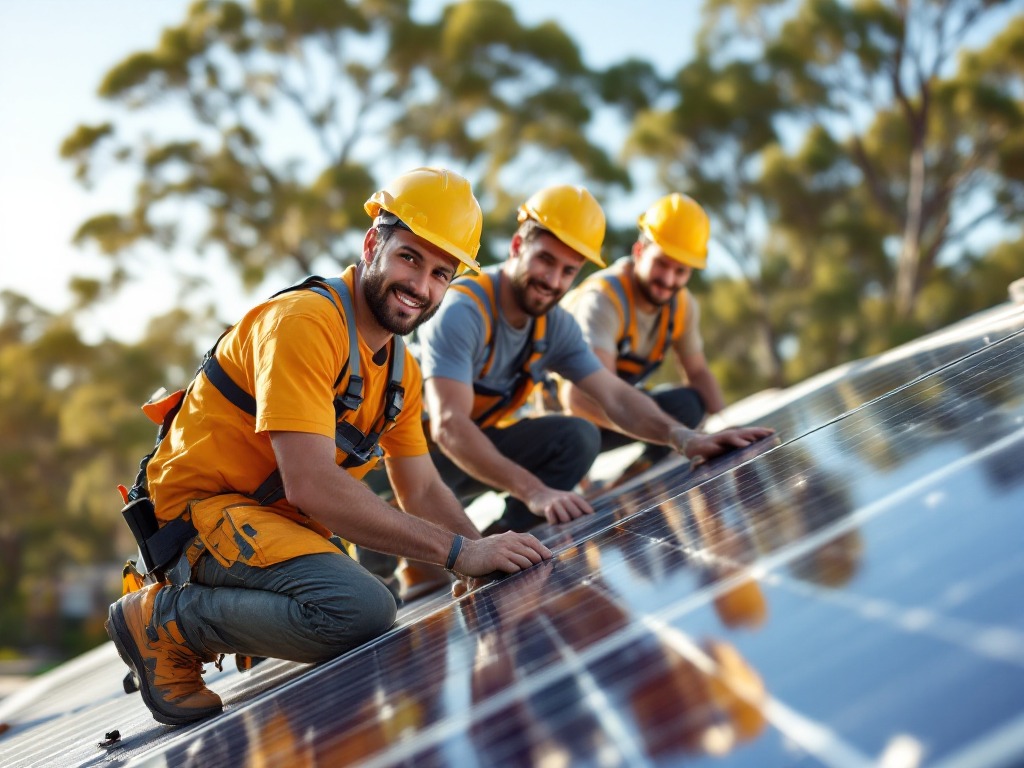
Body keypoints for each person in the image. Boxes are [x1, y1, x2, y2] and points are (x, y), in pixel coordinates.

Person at [104, 167, 552, 727]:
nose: (422, 286)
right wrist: (459, 553)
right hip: (195, 519)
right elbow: (311, 485)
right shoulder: (305, 323)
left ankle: (191, 614)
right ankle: (165, 620)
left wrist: (482, 555)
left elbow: (421, 486)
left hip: (257, 525)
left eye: (442, 273)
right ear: (373, 244)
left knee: (362, 595)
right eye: (409, 257)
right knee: (362, 608)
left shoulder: (400, 374)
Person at [416, 184, 773, 535]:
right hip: (409, 463)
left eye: (568, 271)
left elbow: (615, 395)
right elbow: (449, 426)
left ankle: (500, 540)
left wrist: (684, 439)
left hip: (475, 454)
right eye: (545, 260)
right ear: (517, 246)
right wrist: (534, 491)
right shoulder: (464, 310)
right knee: (394, 579)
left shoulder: (554, 325)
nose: (553, 281)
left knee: (578, 438)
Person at [559, 193, 727, 474]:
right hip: (566, 423)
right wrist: (663, 430)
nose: (669, 279)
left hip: (619, 413)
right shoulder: (603, 300)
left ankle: (636, 474)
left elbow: (697, 373)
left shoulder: (683, 305)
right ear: (639, 251)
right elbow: (580, 398)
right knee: (579, 438)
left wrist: (724, 422)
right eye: (661, 263)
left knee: (688, 404)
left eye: (680, 271)